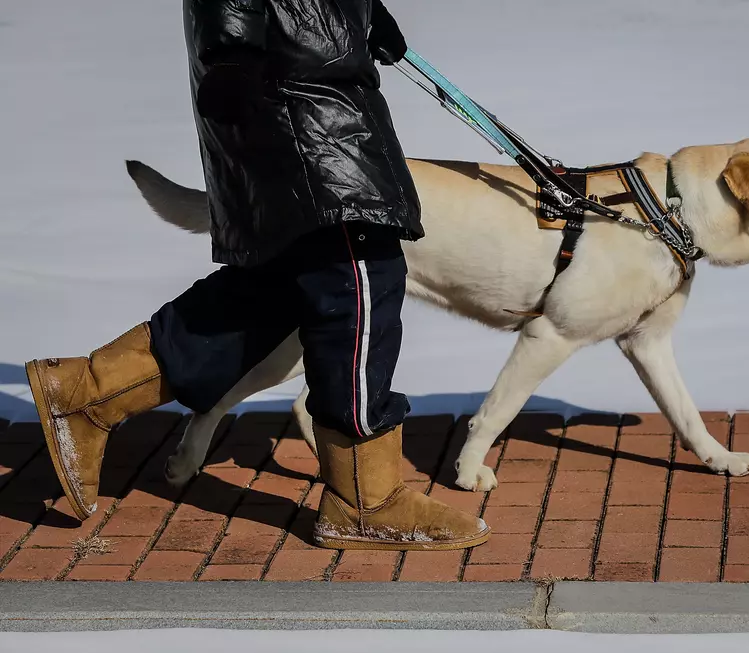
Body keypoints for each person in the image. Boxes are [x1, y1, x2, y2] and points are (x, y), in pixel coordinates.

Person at [24, 0, 490, 551]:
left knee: (272, 289)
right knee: (360, 281)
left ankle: (87, 391)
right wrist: (235, 57)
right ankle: (367, 500)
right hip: (304, 112)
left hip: (299, 98)